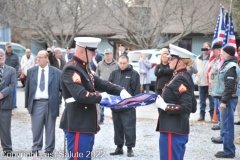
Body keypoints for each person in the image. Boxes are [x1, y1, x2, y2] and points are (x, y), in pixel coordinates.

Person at [59, 37, 131, 160]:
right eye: (92, 51)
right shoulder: (71, 69)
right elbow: (80, 95)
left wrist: (120, 90)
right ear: (83, 50)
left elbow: (100, 83)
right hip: (77, 123)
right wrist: (101, 97)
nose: (94, 55)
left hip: (86, 123)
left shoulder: (84, 68)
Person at [156, 44, 196, 160]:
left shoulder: (181, 78)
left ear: (180, 61)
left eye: (172, 58)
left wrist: (166, 106)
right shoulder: (184, 76)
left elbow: (187, 107)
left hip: (172, 130)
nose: (169, 61)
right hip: (176, 129)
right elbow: (193, 106)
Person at [25, 50, 62, 157]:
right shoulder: (31, 71)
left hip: (51, 103)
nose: (38, 59)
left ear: (47, 58)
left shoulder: (56, 72)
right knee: (36, 127)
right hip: (36, 103)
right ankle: (36, 147)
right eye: (37, 57)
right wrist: (27, 104)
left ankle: (49, 149)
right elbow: (27, 89)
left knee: (50, 127)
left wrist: (64, 101)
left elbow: (62, 89)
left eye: (41, 57)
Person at [108, 54, 140, 157]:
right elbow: (109, 88)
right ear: (118, 62)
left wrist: (134, 104)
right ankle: (119, 147)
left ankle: (130, 148)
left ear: (128, 62)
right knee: (117, 127)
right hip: (116, 106)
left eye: (124, 63)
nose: (122, 65)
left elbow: (136, 90)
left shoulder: (134, 74)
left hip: (128, 107)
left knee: (129, 127)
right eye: (120, 63)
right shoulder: (113, 73)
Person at [211, 46, 237, 158]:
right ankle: (228, 148)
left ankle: (229, 151)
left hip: (228, 100)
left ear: (228, 54)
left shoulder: (231, 67)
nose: (220, 54)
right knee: (225, 124)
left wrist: (224, 101)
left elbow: (229, 86)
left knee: (227, 126)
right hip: (226, 99)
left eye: (222, 53)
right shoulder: (227, 64)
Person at [0, 48, 17, 157]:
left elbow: (12, 85)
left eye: (1, 55)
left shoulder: (11, 70)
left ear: (5, 58)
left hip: (6, 103)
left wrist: (2, 93)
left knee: (5, 128)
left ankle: (7, 149)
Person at [96, 48, 118, 124]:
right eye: (106, 54)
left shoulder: (116, 64)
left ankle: (115, 117)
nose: (107, 56)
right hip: (101, 86)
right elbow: (97, 75)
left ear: (111, 54)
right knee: (100, 103)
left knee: (114, 102)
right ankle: (100, 118)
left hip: (112, 86)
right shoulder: (100, 64)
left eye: (108, 54)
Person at [195, 42, 214, 121]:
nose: (205, 49)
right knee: (202, 101)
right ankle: (201, 115)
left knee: (211, 101)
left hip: (209, 82)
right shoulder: (198, 58)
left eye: (207, 47)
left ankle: (212, 115)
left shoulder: (211, 58)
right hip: (200, 81)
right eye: (204, 47)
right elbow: (195, 67)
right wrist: (196, 73)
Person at [208, 42, 222, 132]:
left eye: (214, 50)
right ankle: (220, 123)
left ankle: (221, 124)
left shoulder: (222, 59)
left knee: (220, 107)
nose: (213, 52)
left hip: (219, 88)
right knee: (216, 107)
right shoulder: (217, 59)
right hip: (215, 87)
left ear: (219, 50)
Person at [5, 42, 19, 108]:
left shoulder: (15, 55)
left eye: (10, 47)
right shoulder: (3, 55)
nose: (9, 48)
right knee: (5, 89)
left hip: (13, 75)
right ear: (6, 48)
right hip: (5, 75)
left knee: (13, 90)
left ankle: (13, 104)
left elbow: (17, 65)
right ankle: (6, 103)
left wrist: (14, 72)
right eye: (8, 47)